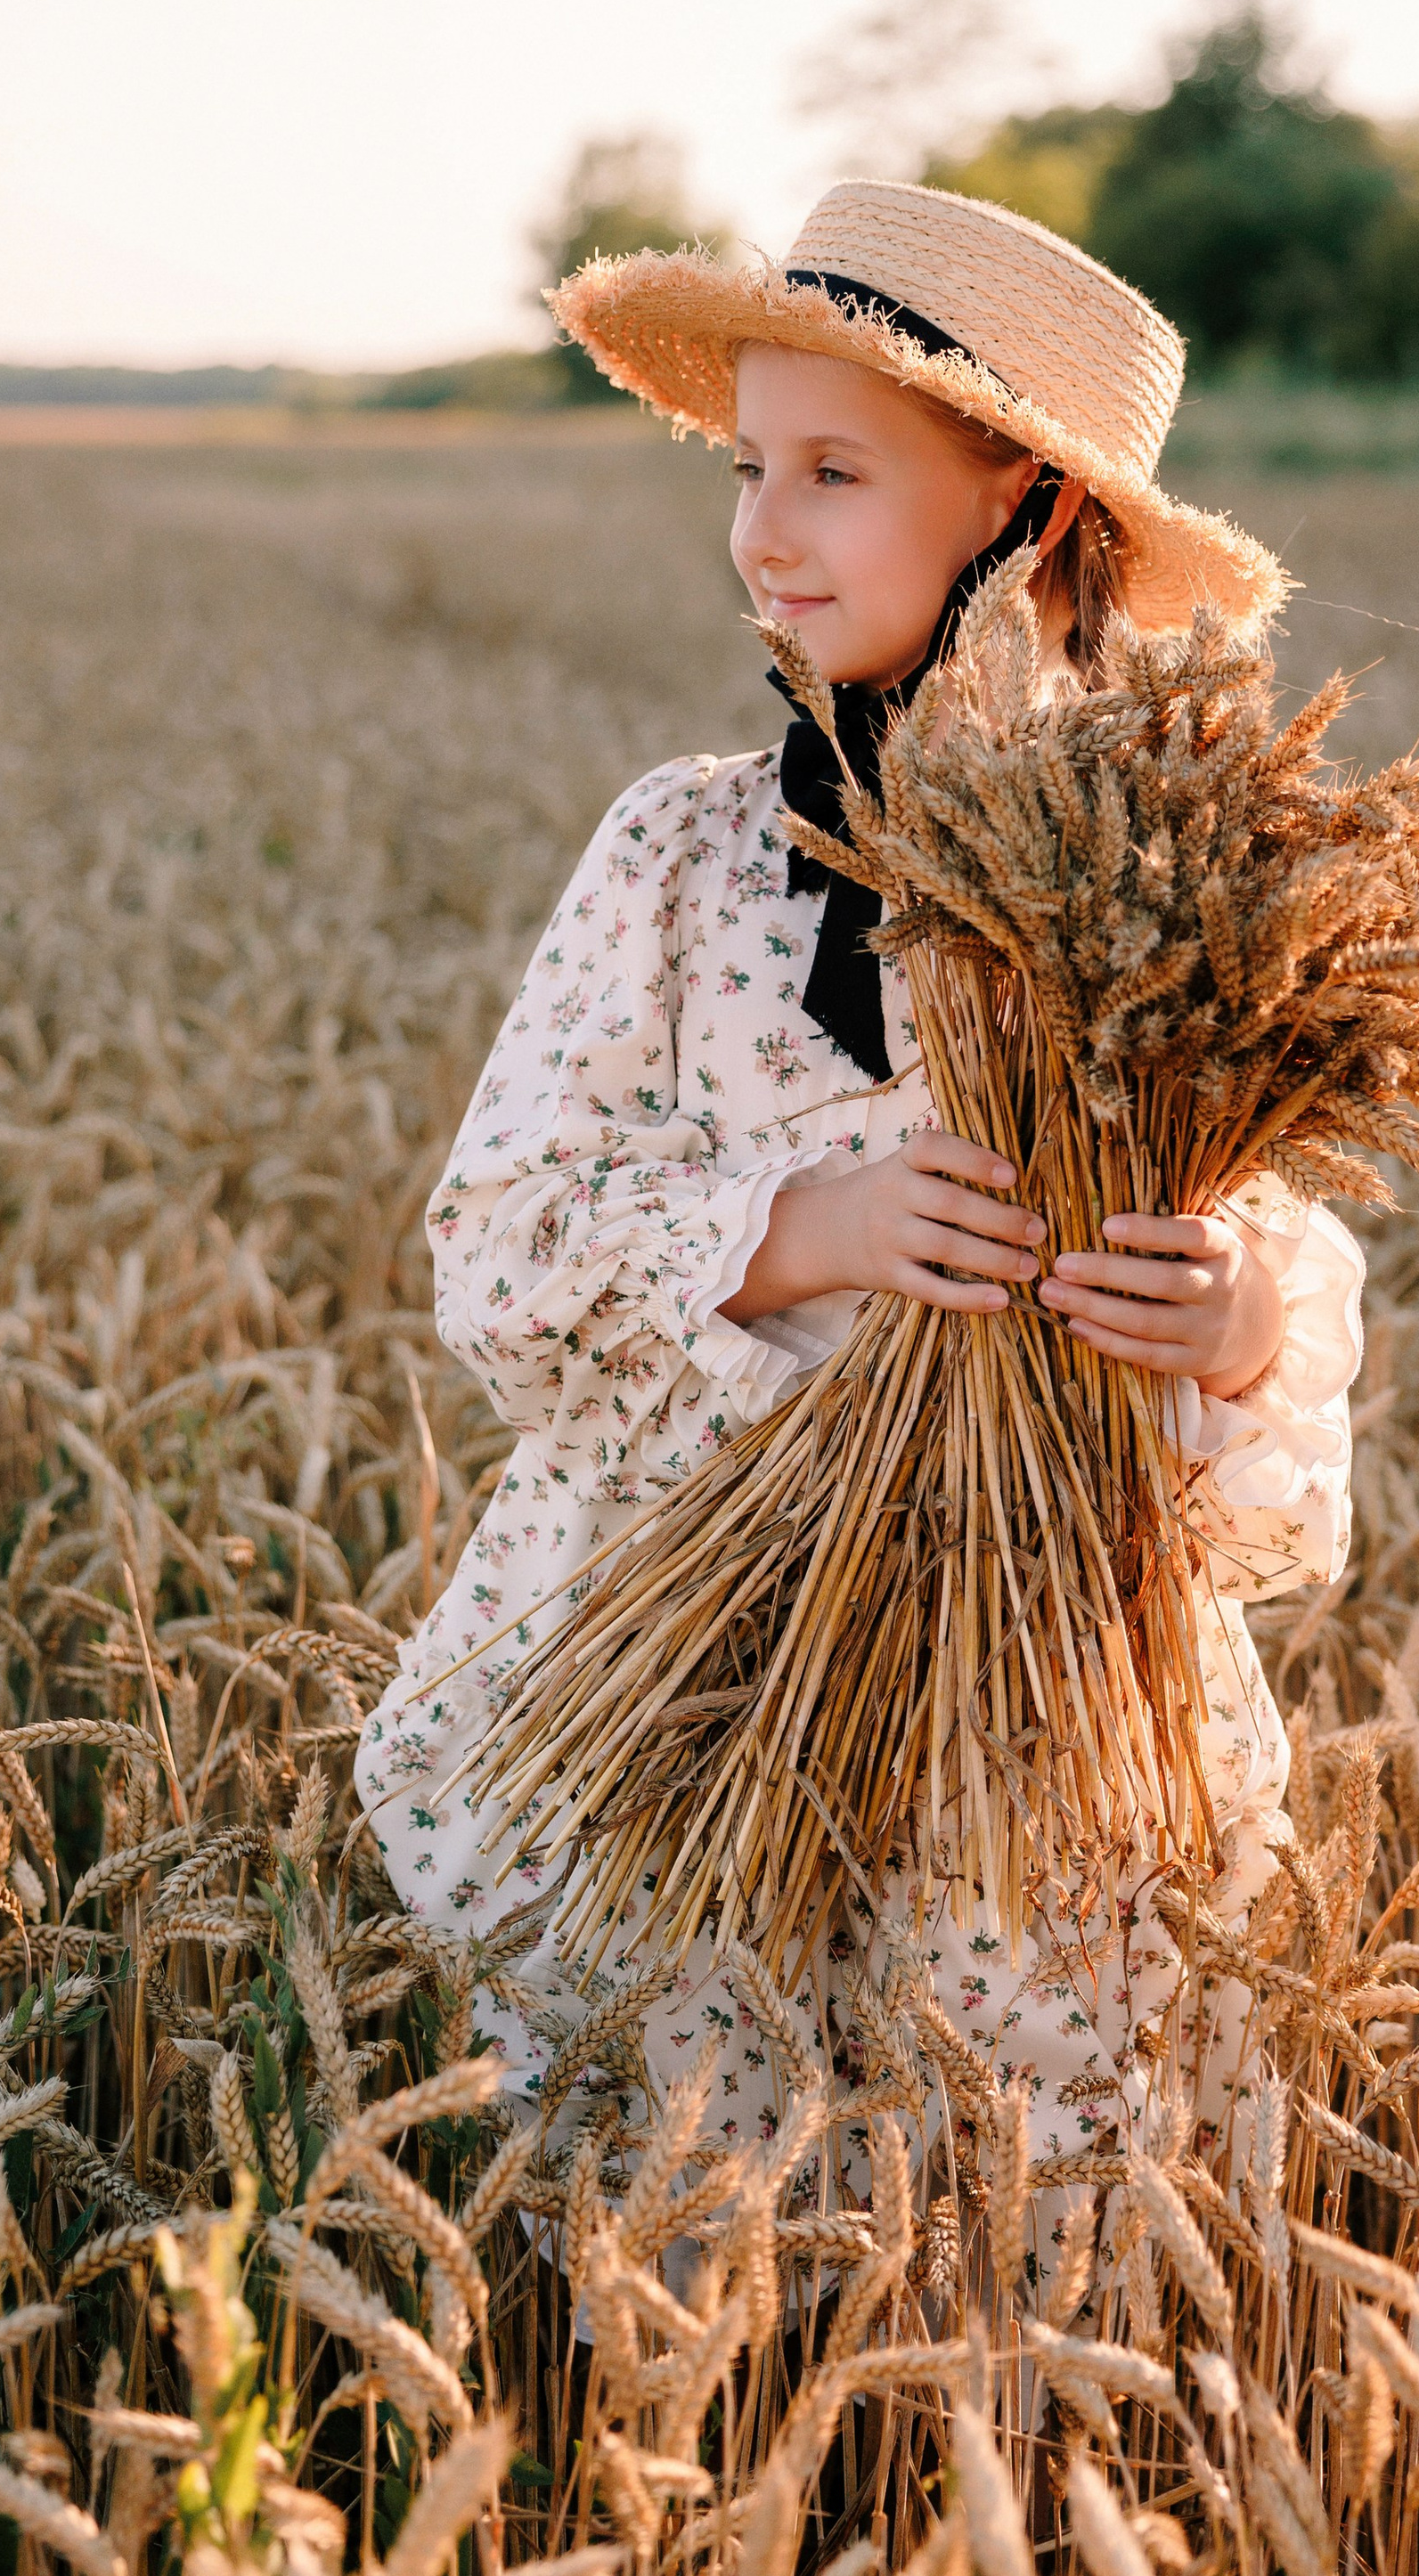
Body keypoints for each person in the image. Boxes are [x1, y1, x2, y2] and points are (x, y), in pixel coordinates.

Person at [355, 181, 1363, 2197]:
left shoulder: (1182, 895)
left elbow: (1276, 1240)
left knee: (1019, 2175)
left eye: (833, 470)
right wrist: (787, 1233)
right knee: (687, 2181)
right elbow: (495, 1244)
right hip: (677, 1667)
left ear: (1033, 519)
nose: (761, 529)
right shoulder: (674, 855)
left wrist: (1234, 1316)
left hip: (1032, 1692)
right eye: (746, 469)